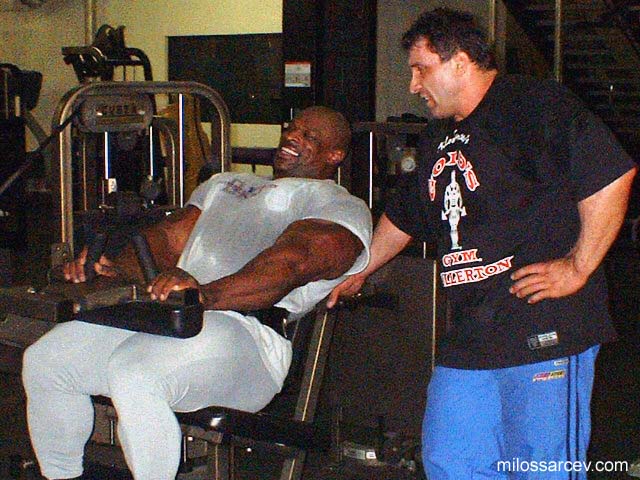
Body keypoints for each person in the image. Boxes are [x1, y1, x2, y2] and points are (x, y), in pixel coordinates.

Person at [328, 8, 636, 480]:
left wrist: (579, 265)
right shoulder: (438, 136)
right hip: (472, 333)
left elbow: (612, 172)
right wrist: (361, 270)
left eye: (421, 69)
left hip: (543, 326)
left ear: (460, 62)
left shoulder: (532, 104)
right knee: (450, 461)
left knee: (540, 468)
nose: (413, 85)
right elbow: (406, 214)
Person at [22, 106, 372, 480]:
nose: (292, 137)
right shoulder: (224, 184)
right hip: (169, 317)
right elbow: (166, 240)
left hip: (248, 336)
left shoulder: (340, 206)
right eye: (292, 128)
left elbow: (292, 263)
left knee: (136, 372)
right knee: (48, 360)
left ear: (335, 155)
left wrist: (205, 294)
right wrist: (113, 269)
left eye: (309, 136)